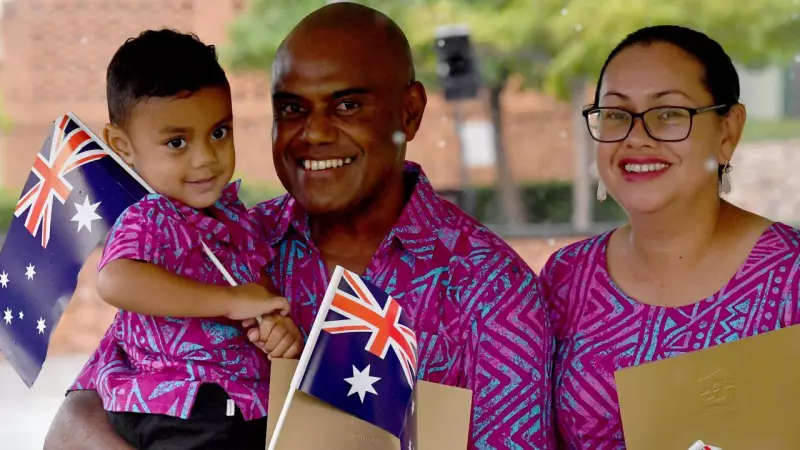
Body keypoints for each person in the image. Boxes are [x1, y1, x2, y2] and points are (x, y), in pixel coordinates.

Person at [44, 4, 556, 450]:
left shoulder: (494, 291)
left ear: (410, 111)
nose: (314, 133)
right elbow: (76, 421)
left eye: (347, 105)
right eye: (291, 109)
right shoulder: (224, 241)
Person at [540, 25, 800, 448]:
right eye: (616, 114)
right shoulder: (567, 278)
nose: (636, 137)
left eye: (668, 113)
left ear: (728, 131)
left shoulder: (791, 278)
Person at [66, 29, 302, 450]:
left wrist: (275, 325)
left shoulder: (235, 217)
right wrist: (229, 301)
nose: (205, 158)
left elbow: (256, 293)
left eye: (219, 133)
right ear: (123, 146)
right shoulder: (151, 217)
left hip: (240, 406)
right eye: (177, 142)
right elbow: (116, 281)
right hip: (179, 406)